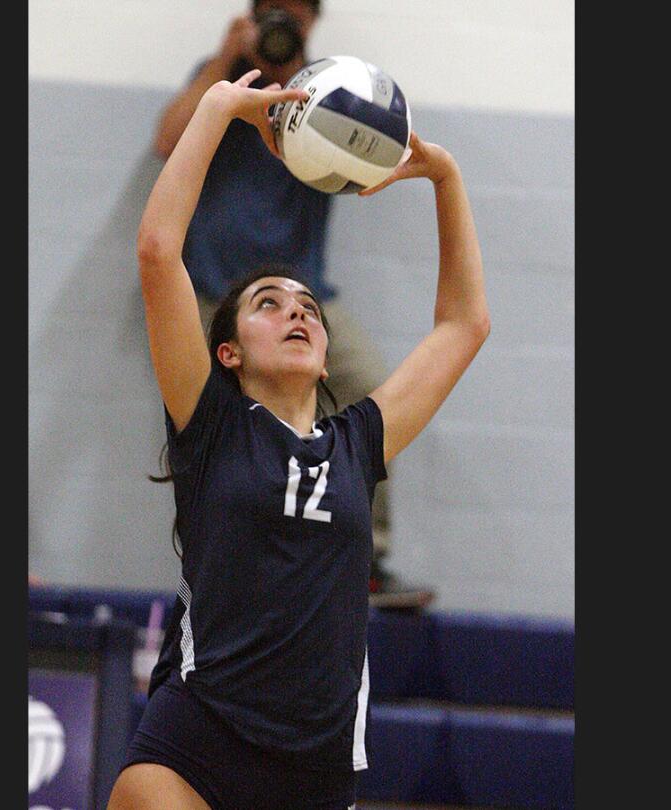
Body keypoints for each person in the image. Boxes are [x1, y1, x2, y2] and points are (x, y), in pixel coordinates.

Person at [109, 68, 489, 809]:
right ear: (229, 352)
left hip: (315, 766)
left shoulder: (359, 442)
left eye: (308, 304)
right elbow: (160, 251)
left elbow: (463, 325)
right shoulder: (211, 421)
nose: (297, 312)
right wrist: (219, 105)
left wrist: (444, 176)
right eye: (268, 303)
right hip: (197, 739)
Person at [151, 1, 424, 605]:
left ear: (311, 24)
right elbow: (166, 142)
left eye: (293, 20)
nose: (282, 29)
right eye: (273, 15)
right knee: (207, 429)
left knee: (368, 384)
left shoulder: (328, 88)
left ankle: (365, 556)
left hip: (301, 293)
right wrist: (227, 62)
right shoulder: (223, 79)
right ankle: (215, 559)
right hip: (211, 292)